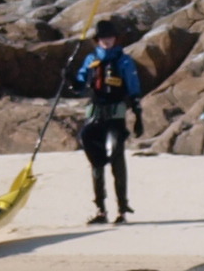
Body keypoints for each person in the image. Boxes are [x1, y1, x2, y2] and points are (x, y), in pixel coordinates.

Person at [63, 16, 148, 224]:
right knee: (96, 162)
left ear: (115, 39)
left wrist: (138, 116)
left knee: (116, 159)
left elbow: (134, 88)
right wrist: (70, 78)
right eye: (102, 38)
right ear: (97, 40)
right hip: (95, 116)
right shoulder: (91, 60)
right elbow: (80, 85)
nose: (106, 41)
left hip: (115, 117)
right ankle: (101, 210)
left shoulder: (124, 61)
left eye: (109, 37)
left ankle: (122, 209)